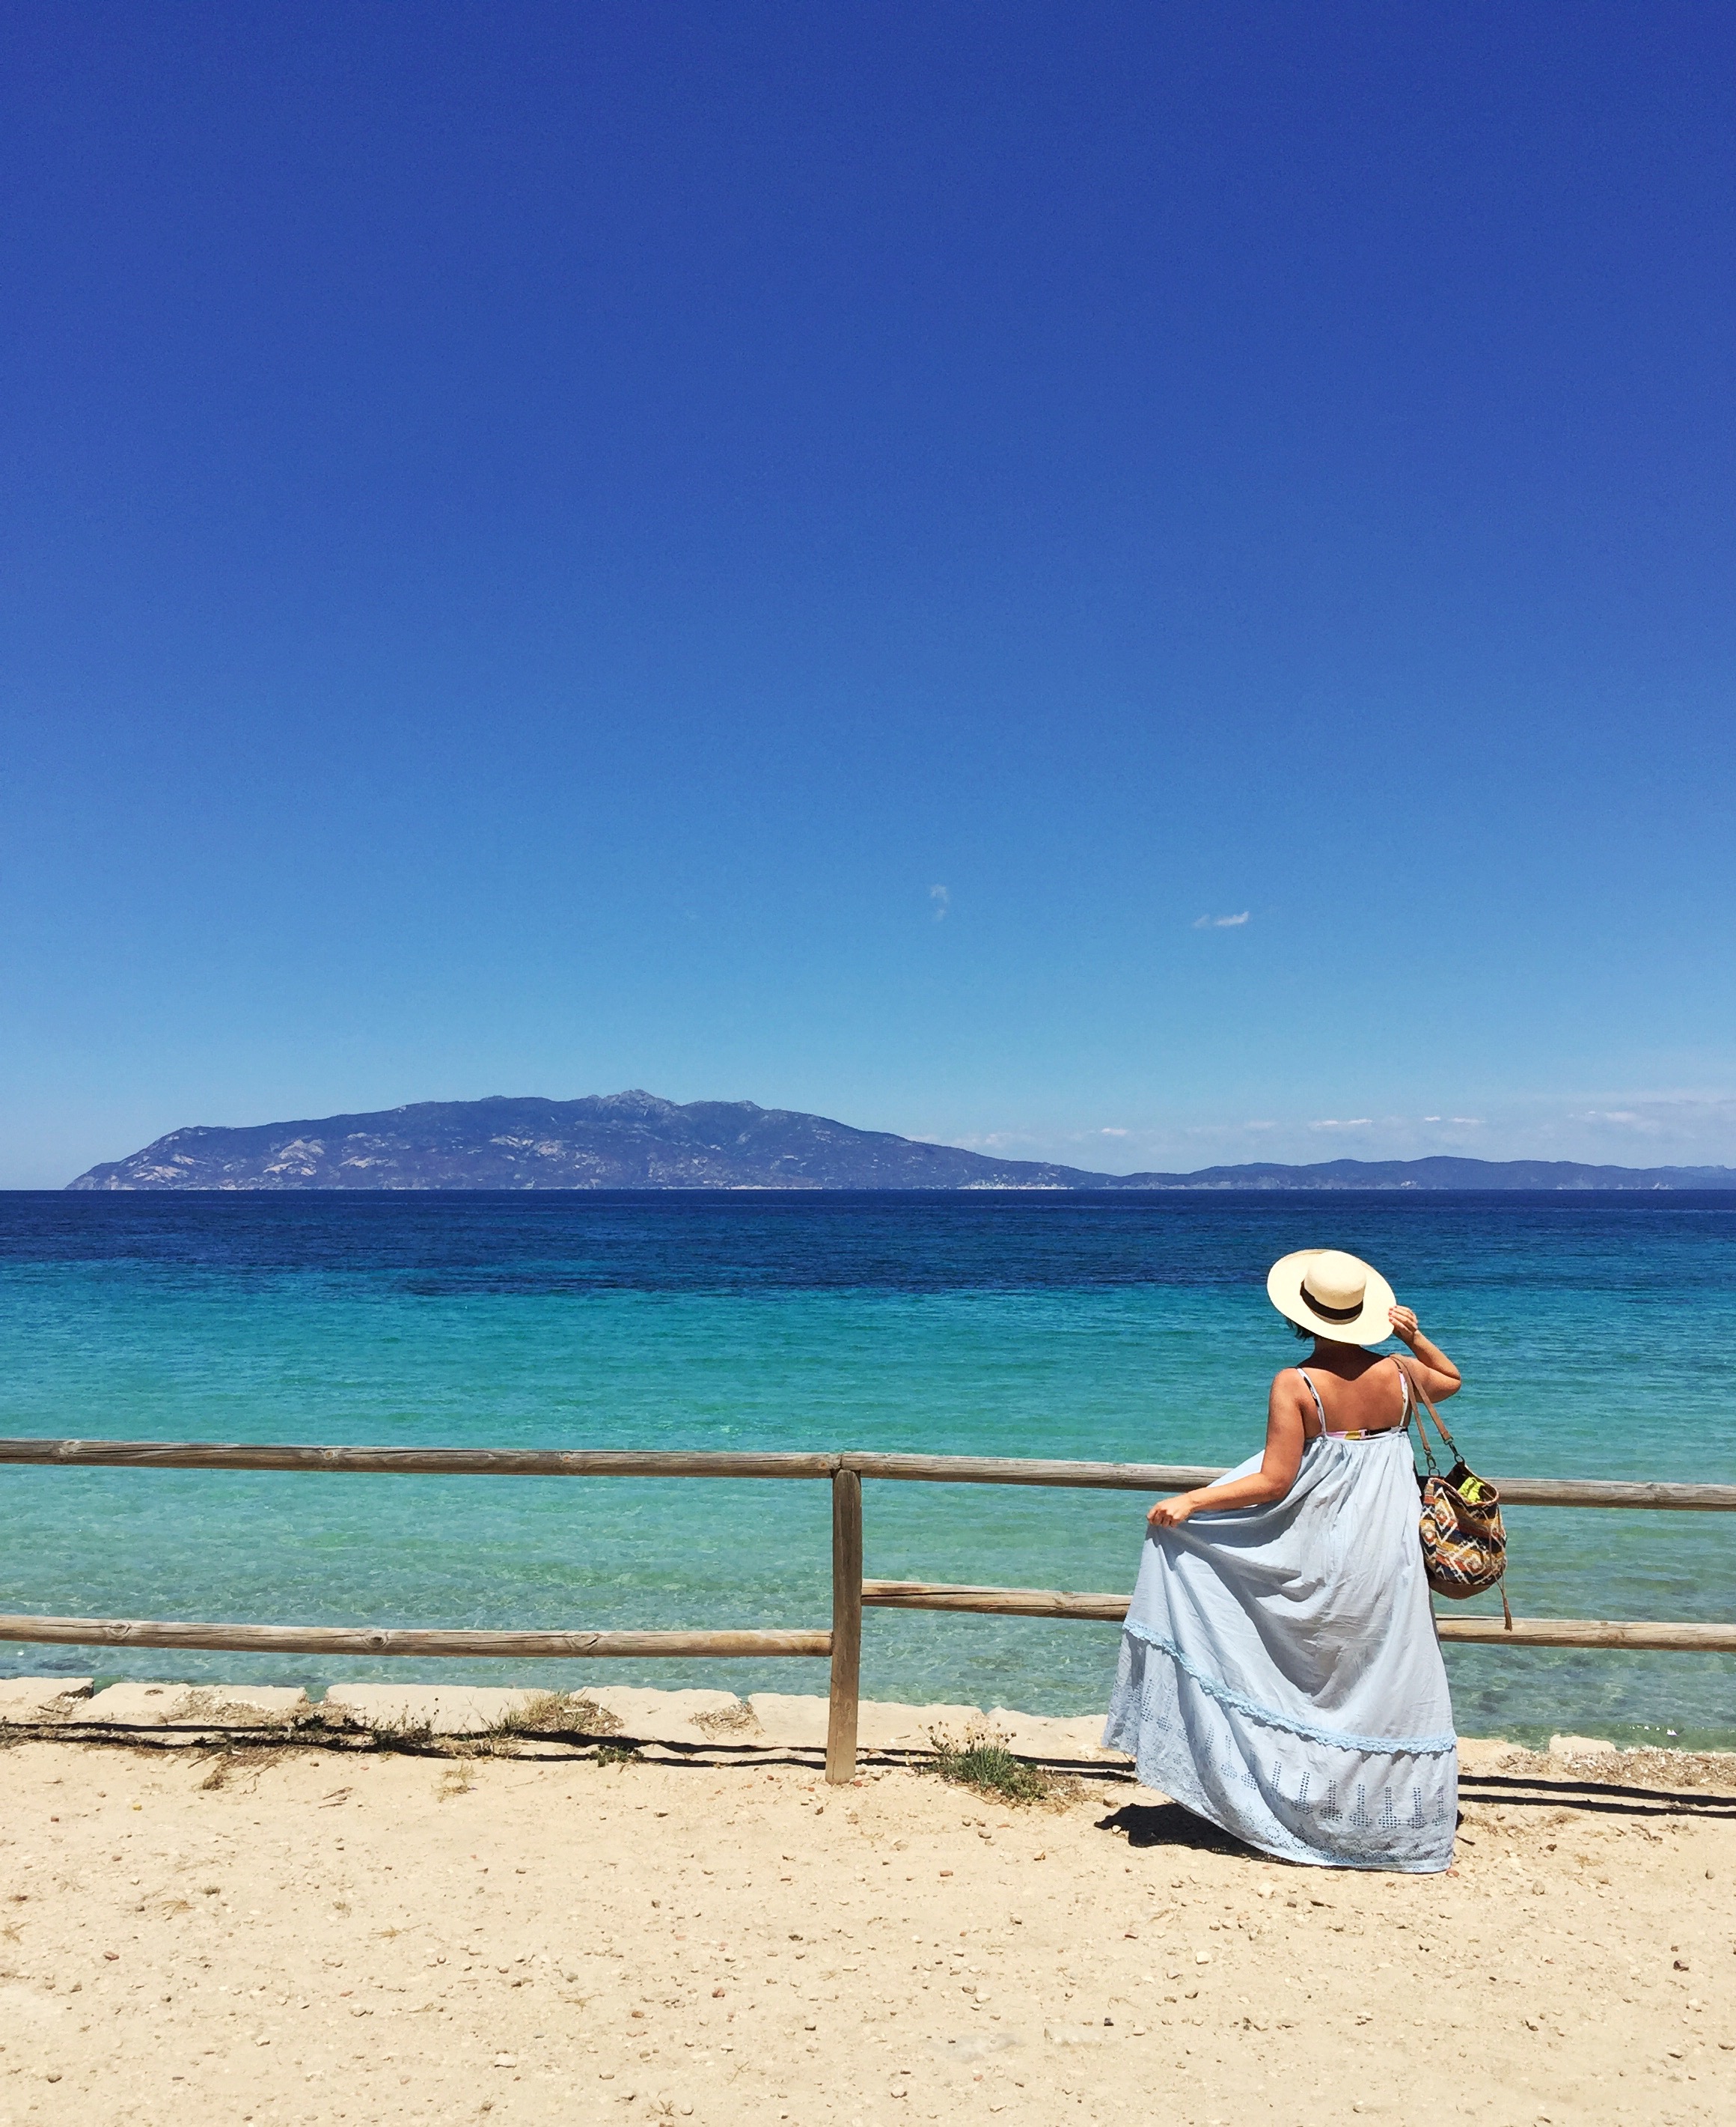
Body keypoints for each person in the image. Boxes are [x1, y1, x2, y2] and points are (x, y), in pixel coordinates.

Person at [1101, 1247, 1464, 1871]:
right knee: (1379, 1676)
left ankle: (1297, 1807)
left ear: (1305, 1318)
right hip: (1391, 1552)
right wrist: (1415, 1335)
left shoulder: (1296, 1384)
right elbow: (1453, 1380)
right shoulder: (1402, 1375)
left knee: (1308, 1673)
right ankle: (1376, 1823)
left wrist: (1193, 1501)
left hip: (1325, 1547)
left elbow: (1273, 1481)